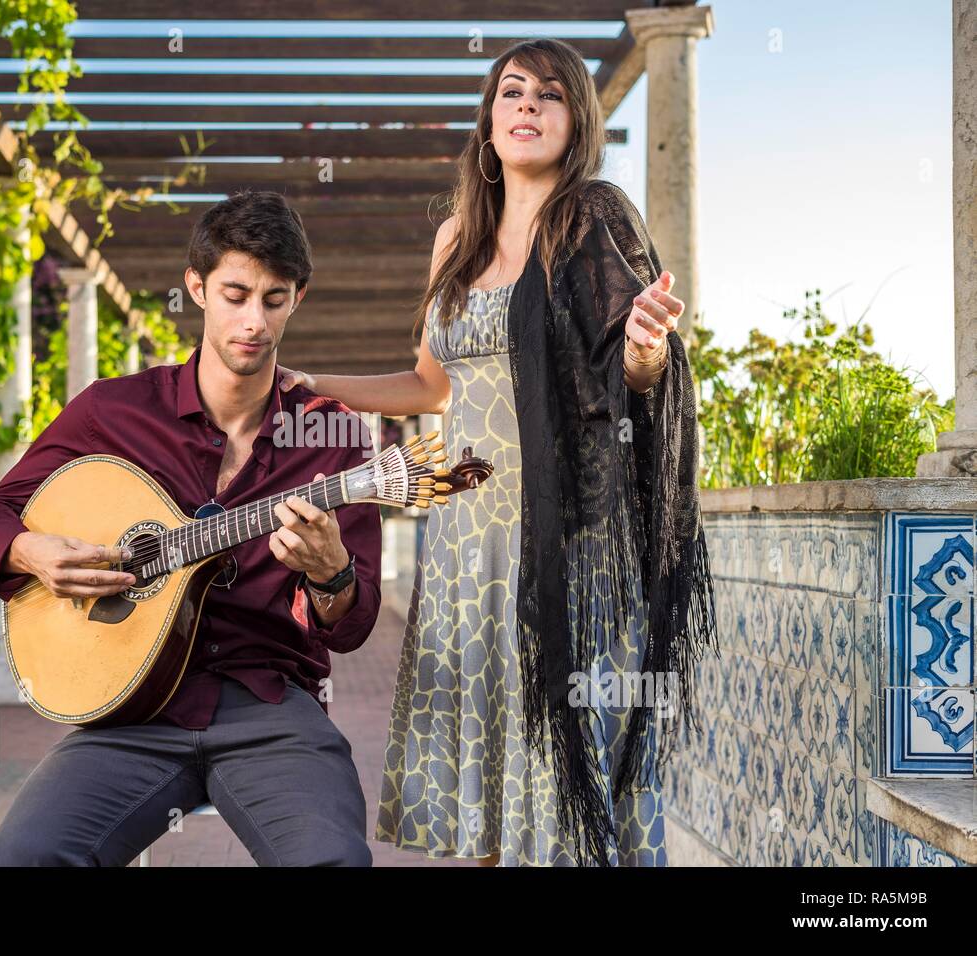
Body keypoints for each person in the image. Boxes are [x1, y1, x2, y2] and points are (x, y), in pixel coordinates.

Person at [278, 38, 718, 866]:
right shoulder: (455, 240)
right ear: (487, 121)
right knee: (486, 792)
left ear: (576, 121)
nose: (527, 106)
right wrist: (315, 383)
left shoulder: (593, 219)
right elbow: (429, 385)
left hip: (567, 546)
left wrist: (648, 349)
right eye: (511, 91)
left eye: (550, 95)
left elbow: (626, 366)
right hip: (461, 546)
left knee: (561, 784)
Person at [0, 190, 383, 867]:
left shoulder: (333, 440)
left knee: (332, 862)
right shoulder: (113, 412)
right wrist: (30, 551)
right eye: (236, 294)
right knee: (26, 858)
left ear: (296, 298)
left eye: (274, 300)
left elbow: (352, 624)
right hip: (130, 713)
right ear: (197, 287)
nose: (254, 321)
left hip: (268, 705)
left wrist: (331, 574)